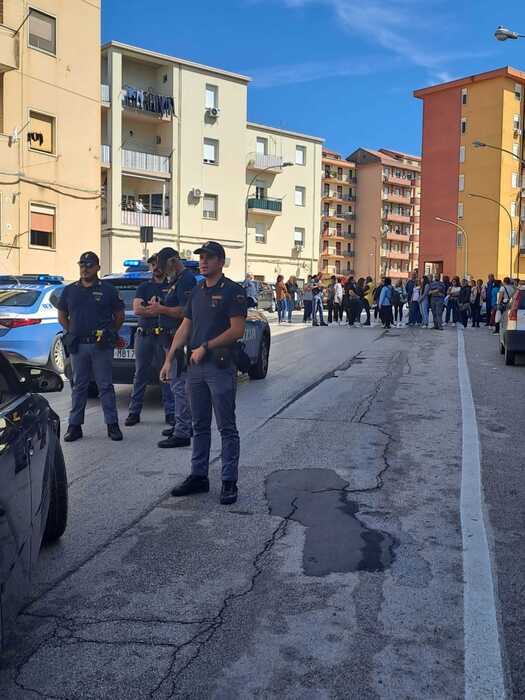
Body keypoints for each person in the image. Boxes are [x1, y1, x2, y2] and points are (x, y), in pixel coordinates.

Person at [160, 241, 246, 505]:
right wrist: (169, 357)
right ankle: (199, 476)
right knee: (199, 425)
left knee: (226, 427)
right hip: (194, 369)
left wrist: (206, 346)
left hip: (219, 367)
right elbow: (186, 325)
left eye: (209, 257)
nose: (203, 261)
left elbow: (237, 330)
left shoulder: (233, 291)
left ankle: (229, 481)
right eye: (201, 257)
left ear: (221, 261)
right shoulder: (197, 290)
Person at [58, 251, 125, 442]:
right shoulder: (70, 290)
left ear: (97, 267)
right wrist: (71, 330)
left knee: (105, 385)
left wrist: (110, 331)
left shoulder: (108, 290)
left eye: (88, 265)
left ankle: (112, 425)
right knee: (79, 386)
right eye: (82, 265)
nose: (84, 269)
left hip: (100, 346)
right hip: (79, 346)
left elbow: (119, 315)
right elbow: (62, 314)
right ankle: (74, 426)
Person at [144, 247, 197, 448]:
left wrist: (161, 309)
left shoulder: (186, 280)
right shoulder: (175, 280)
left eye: (165, 268)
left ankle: (183, 431)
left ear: (173, 262)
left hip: (179, 340)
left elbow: (186, 312)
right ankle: (182, 424)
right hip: (169, 339)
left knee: (179, 387)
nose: (163, 273)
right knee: (177, 385)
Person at [125, 255, 173, 427]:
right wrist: (160, 310)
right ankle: (134, 413)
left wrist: (157, 309)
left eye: (158, 264)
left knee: (166, 375)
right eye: (152, 264)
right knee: (140, 375)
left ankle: (171, 413)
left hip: (163, 336)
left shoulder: (171, 287)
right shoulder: (144, 287)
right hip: (144, 335)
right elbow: (137, 309)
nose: (155, 267)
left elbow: (177, 310)